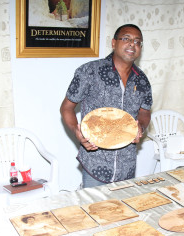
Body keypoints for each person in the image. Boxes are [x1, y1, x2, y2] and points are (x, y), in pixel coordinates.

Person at [60, 24, 152, 188]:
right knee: (94, 211)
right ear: (114, 43)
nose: (132, 44)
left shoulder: (142, 80)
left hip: (127, 164)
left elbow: (145, 112)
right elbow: (66, 107)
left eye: (138, 42)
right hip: (96, 162)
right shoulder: (89, 71)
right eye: (126, 39)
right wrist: (76, 130)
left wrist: (141, 128)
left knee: (123, 211)